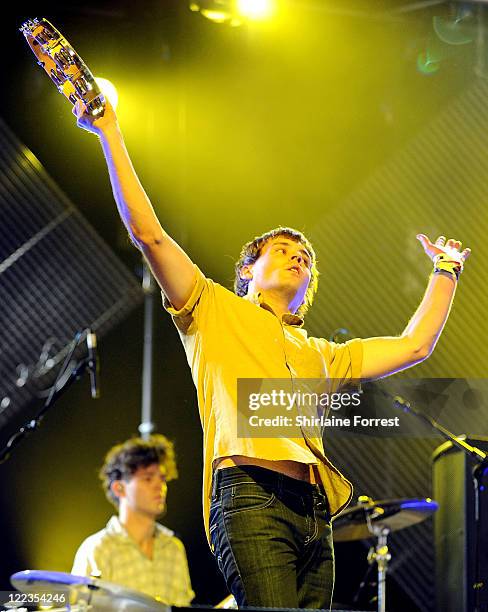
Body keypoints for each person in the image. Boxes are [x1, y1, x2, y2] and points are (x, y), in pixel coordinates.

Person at [72, 98, 470, 610]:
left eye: (303, 257)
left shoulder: (324, 354)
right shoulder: (212, 308)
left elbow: (415, 345)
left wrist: (446, 271)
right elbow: (148, 233)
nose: (296, 255)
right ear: (247, 274)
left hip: (316, 512)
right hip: (249, 496)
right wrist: (109, 132)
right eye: (279, 249)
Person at [71, 434, 195, 606]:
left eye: (162, 478)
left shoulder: (174, 548)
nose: (160, 486)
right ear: (119, 488)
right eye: (148, 478)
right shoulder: (98, 549)